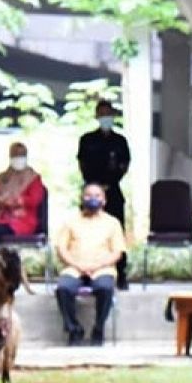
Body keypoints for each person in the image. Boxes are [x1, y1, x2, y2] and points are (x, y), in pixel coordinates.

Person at [54, 183, 126, 347]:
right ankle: (74, 329)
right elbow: (62, 249)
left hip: (102, 268)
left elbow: (117, 252)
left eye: (97, 196)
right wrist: (78, 265)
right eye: (88, 195)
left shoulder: (113, 223)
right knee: (63, 288)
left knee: (105, 288)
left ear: (104, 200)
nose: (92, 199)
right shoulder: (70, 222)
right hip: (75, 268)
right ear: (81, 198)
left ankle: (98, 329)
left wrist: (97, 266)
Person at [77, 100, 131, 290]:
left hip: (113, 191)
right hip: (91, 190)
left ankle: (121, 273)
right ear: (97, 116)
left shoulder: (120, 141)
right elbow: (83, 165)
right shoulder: (87, 140)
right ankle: (85, 272)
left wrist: (109, 183)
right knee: (85, 231)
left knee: (117, 232)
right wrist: (95, 188)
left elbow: (124, 166)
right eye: (102, 114)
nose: (105, 117)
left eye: (108, 114)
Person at [0, 142, 45, 259]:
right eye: (15, 156)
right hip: (1, 218)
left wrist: (15, 201)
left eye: (21, 156)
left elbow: (35, 199)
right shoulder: (3, 177)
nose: (18, 159)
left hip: (22, 221)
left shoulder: (33, 178)